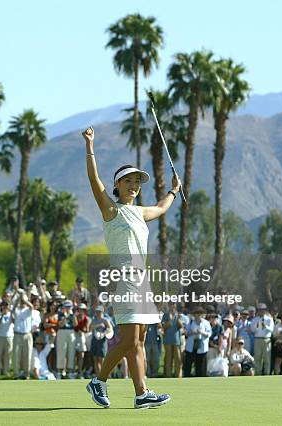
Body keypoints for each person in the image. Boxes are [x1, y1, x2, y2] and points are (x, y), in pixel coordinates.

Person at [83, 126, 180, 409]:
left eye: (137, 182)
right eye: (129, 181)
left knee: (138, 339)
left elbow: (161, 208)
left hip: (143, 282)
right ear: (118, 185)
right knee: (128, 340)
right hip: (125, 279)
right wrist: (90, 146)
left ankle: (141, 394)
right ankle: (98, 381)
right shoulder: (111, 210)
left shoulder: (140, 212)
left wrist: (174, 190)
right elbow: (93, 178)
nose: (134, 186)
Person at [183, 306, 212, 377]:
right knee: (188, 365)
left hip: (202, 348)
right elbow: (186, 333)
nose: (198, 315)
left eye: (200, 313)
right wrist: (192, 332)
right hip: (191, 347)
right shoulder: (190, 323)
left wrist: (202, 332)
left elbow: (209, 334)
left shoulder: (206, 323)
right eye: (197, 313)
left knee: (201, 366)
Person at [12, 292, 34, 379]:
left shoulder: (28, 310)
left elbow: (32, 306)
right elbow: (13, 309)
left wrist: (25, 300)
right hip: (17, 334)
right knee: (16, 355)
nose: (22, 302)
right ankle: (16, 374)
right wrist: (18, 299)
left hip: (27, 335)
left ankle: (26, 374)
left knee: (27, 355)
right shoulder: (17, 310)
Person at [249, 303, 274, 375]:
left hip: (266, 339)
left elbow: (271, 330)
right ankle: (258, 373)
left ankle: (266, 373)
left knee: (267, 359)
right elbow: (252, 330)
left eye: (262, 310)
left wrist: (265, 326)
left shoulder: (269, 319)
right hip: (257, 339)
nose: (261, 311)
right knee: (257, 358)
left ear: (265, 311)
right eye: (259, 310)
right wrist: (256, 327)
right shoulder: (255, 320)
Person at [161, 303, 184, 378]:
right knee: (168, 359)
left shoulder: (179, 315)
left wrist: (177, 319)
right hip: (167, 340)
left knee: (178, 359)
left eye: (174, 304)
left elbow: (181, 326)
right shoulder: (165, 315)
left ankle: (178, 375)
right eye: (171, 305)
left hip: (176, 340)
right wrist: (169, 320)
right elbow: (163, 326)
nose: (172, 306)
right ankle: (168, 375)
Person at [90, 306, 112, 376]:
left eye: (99, 312)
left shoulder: (105, 320)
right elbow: (90, 328)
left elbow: (110, 329)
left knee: (101, 359)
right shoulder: (94, 320)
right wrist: (98, 325)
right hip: (95, 339)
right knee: (95, 359)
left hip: (102, 340)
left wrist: (103, 334)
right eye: (97, 312)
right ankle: (98, 376)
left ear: (102, 312)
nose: (98, 313)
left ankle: (104, 375)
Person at [0, 301, 14, 376]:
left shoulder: (11, 314)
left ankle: (6, 371)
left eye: (6, 306)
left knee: (8, 354)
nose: (5, 307)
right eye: (4, 306)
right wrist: (2, 314)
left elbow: (14, 321)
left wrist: (11, 312)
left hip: (9, 336)